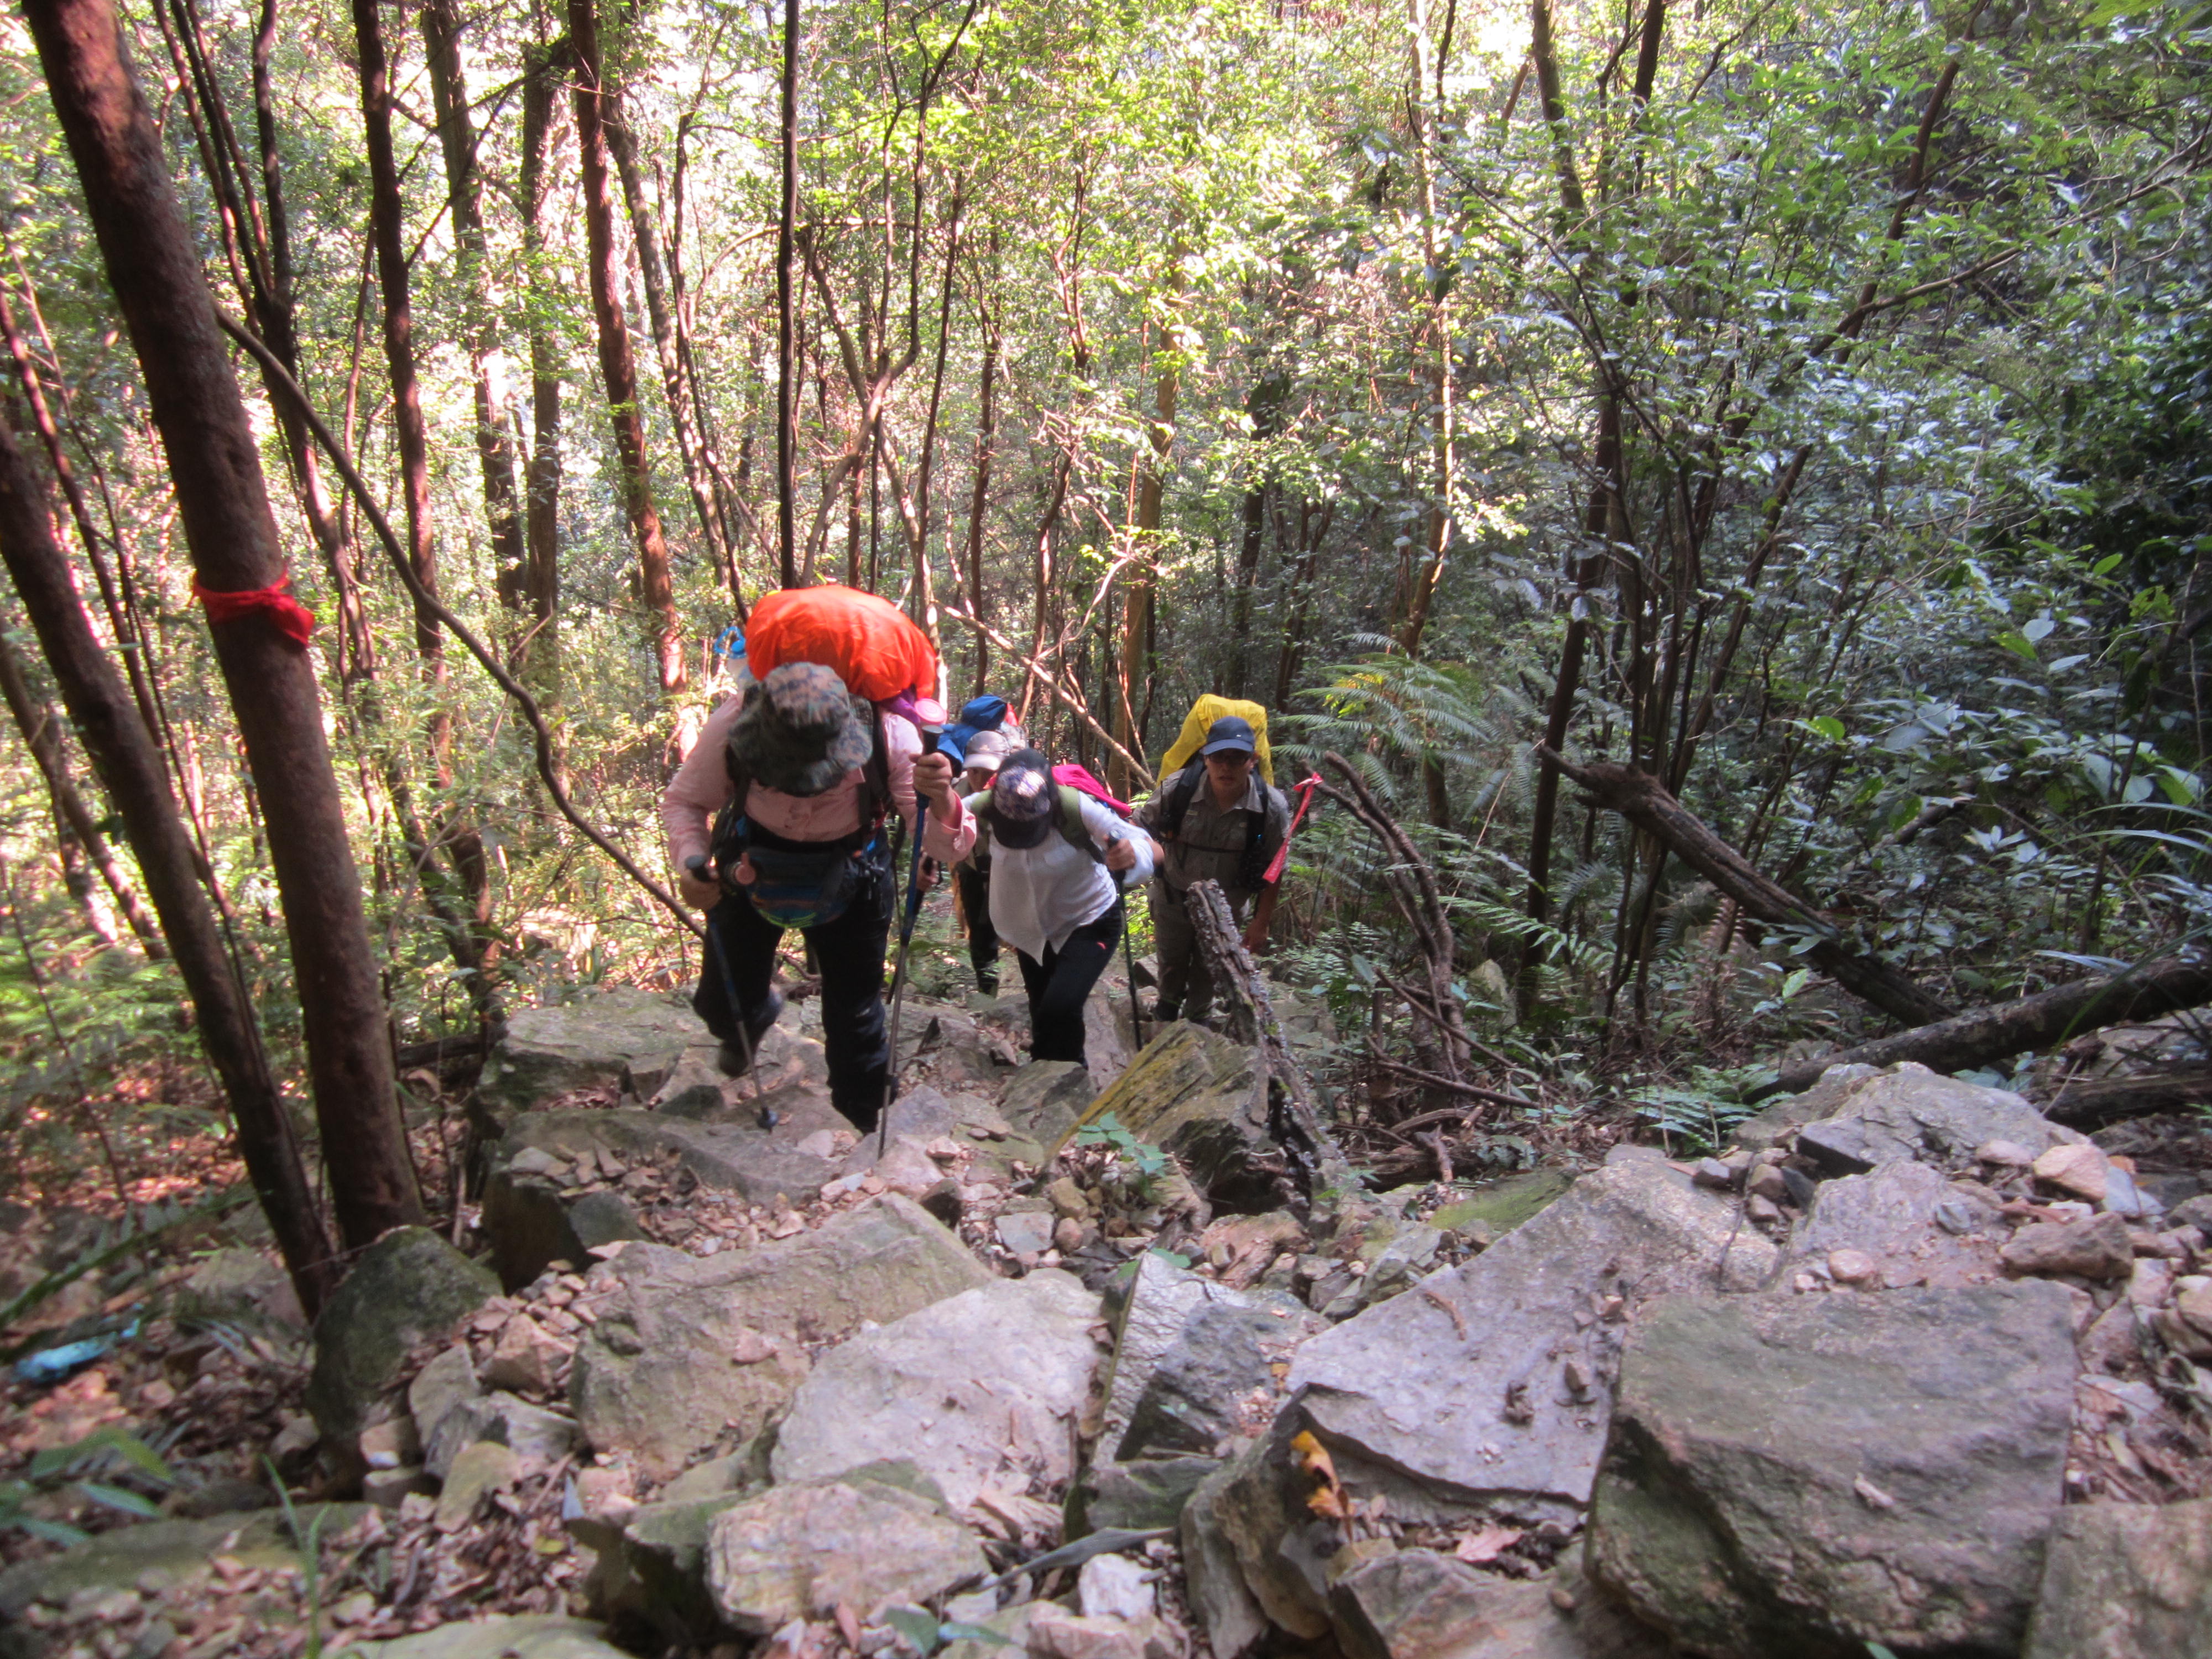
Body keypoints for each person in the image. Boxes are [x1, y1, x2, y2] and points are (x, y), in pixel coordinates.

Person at [663, 662, 971, 1135]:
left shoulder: (891, 736)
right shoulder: (731, 724)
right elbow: (686, 801)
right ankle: (747, 1020)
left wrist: (943, 798)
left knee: (856, 1016)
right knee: (722, 1003)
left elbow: (944, 845)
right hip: (748, 859)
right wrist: (691, 863)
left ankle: (864, 1122)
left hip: (854, 867)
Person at [964, 749, 1153, 1067]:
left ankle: (1068, 1075)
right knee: (1042, 1010)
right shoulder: (981, 807)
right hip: (1027, 932)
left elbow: (1140, 841)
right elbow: (935, 829)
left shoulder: (1075, 807)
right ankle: (1048, 1074)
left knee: (1060, 1006)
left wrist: (1130, 855)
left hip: (1090, 919)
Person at [1133, 714, 1289, 1027]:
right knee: (1171, 963)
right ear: (1206, 758)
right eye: (1219, 757)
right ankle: (1166, 1010)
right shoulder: (1178, 790)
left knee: (1209, 966)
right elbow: (1138, 827)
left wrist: (1261, 922)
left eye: (1237, 758)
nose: (1226, 767)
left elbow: (1275, 867)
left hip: (1227, 908)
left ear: (1252, 760)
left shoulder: (1270, 807)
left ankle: (1198, 1021)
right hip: (1173, 898)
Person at [953, 729, 1013, 995]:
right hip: (973, 868)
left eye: (989, 772)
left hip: (1012, 871)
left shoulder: (1019, 791)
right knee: (980, 931)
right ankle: (987, 990)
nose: (981, 779)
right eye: (974, 771)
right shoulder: (958, 792)